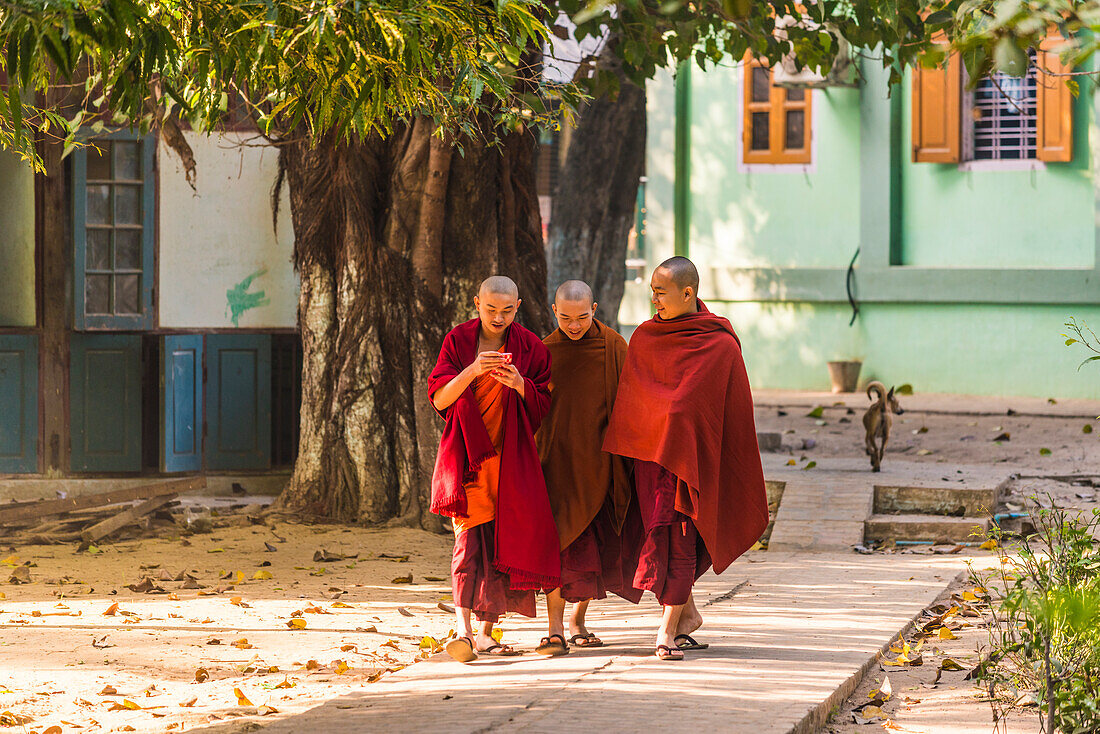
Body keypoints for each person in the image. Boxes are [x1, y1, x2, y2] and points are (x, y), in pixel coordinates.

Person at [603, 256, 769, 661]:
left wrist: (679, 423)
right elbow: (635, 400)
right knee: (656, 535)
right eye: (652, 293)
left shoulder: (719, 343)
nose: (654, 300)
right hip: (650, 459)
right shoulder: (644, 337)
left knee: (677, 539)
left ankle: (665, 632)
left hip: (690, 463)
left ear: (688, 293)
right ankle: (687, 615)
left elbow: (724, 415)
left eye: (661, 293)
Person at [428, 275, 560, 662]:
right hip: (469, 460)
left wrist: (519, 383)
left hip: (512, 461)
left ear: (517, 307)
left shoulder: (531, 347)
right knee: (468, 545)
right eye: (490, 309)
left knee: (505, 544)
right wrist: (471, 370)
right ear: (476, 303)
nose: (498, 317)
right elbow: (440, 398)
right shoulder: (458, 341)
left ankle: (485, 634)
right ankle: (462, 631)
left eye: (506, 310)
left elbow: (542, 406)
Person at [533, 280, 634, 657]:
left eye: (581, 317)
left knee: (592, 545)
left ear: (594, 309)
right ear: (553, 311)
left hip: (600, 462)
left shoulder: (613, 347)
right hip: (555, 463)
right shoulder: (542, 352)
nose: (573, 326)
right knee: (560, 544)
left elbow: (630, 403)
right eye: (565, 318)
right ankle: (554, 628)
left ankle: (578, 620)